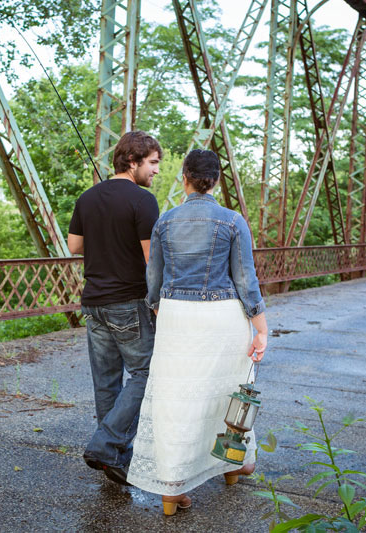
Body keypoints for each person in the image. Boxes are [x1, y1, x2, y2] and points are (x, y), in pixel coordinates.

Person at [126, 149, 268, 515]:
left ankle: (172, 490)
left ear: (185, 179)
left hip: (178, 318)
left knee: (176, 401)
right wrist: (261, 328)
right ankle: (234, 462)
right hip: (222, 318)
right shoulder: (233, 221)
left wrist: (162, 307)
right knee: (227, 393)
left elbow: (153, 278)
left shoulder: (165, 222)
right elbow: (245, 280)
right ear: (216, 181)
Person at [67, 131, 162, 486]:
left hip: (93, 302)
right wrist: (158, 305)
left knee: (106, 382)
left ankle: (113, 460)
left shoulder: (87, 197)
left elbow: (75, 245)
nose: (156, 171)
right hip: (128, 301)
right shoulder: (142, 200)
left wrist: (104, 231)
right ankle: (106, 445)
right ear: (133, 161)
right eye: (152, 163)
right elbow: (152, 260)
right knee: (147, 373)